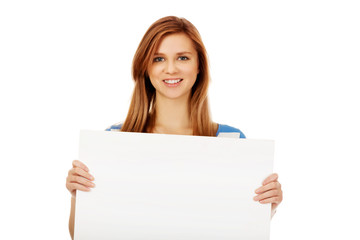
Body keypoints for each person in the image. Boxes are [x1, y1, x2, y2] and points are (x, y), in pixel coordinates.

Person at [66, 16, 283, 239]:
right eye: (158, 59)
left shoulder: (232, 140)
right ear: (145, 67)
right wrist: (78, 197)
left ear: (199, 66)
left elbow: (237, 228)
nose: (170, 69)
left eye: (182, 57)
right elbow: (82, 234)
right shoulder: (114, 139)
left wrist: (267, 207)